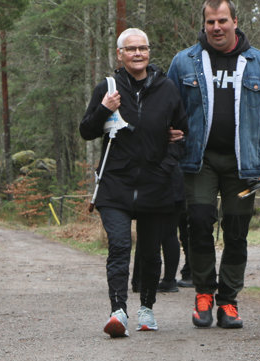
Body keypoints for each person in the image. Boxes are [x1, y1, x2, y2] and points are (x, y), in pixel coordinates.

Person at [167, 0, 260, 329]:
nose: (216, 27)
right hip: (198, 160)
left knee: (236, 230)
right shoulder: (183, 62)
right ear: (203, 24)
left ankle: (229, 302)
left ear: (235, 21)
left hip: (244, 163)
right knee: (200, 222)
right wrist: (168, 133)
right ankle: (204, 295)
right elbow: (166, 107)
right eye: (210, 22)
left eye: (222, 20)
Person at [79, 28, 188, 338]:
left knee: (151, 251)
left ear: (149, 52)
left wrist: (167, 163)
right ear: (120, 54)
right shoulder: (108, 88)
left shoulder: (167, 89)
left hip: (156, 184)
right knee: (120, 245)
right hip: (116, 184)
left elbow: (183, 134)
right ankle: (118, 312)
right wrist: (105, 108)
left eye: (143, 48)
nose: (138, 54)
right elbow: (86, 131)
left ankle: (147, 309)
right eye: (131, 49)